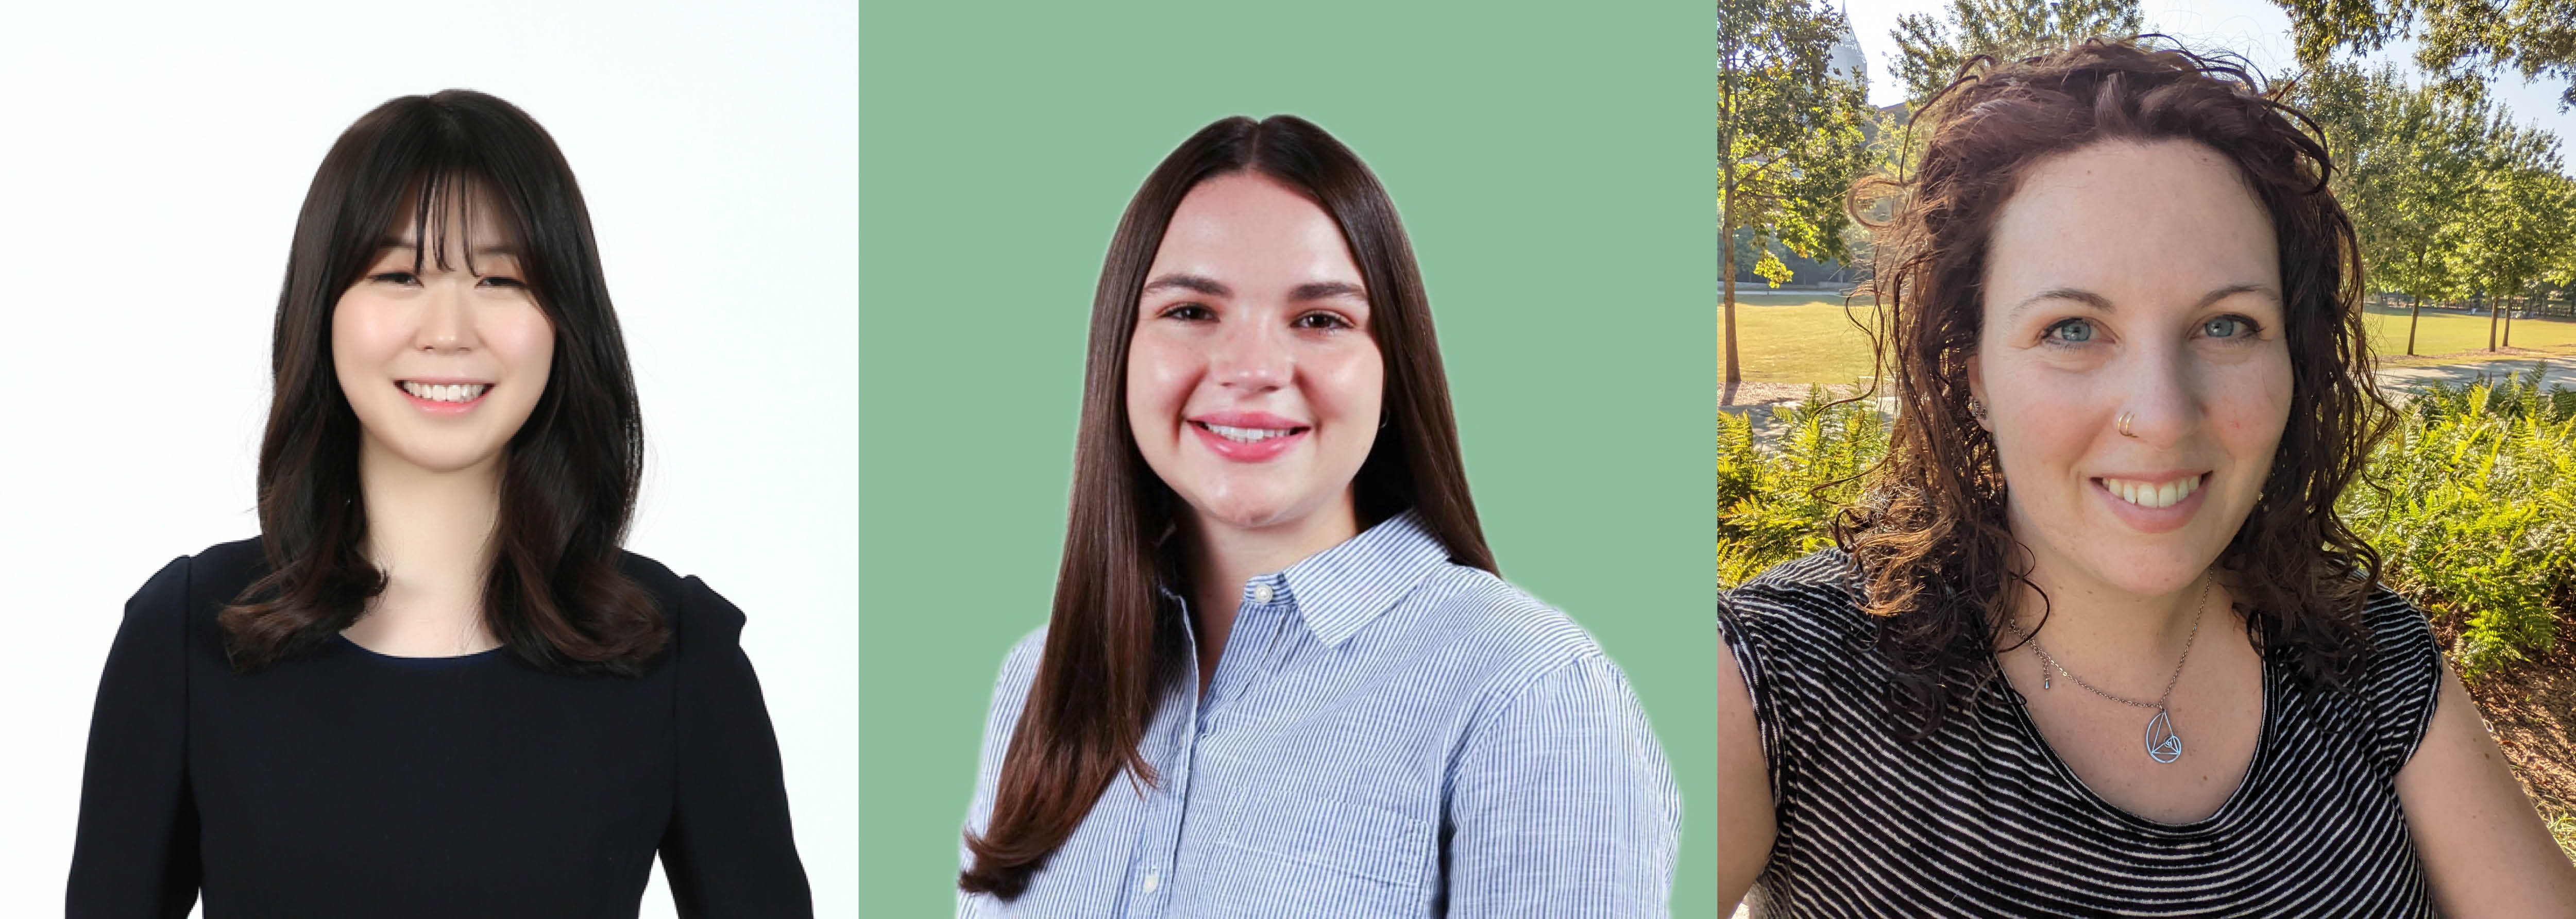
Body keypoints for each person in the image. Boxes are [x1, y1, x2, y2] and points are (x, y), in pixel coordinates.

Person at [1717, 40, 2576, 916]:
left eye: (2229, 326)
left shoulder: (2371, 656)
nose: (2163, 416)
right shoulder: (1777, 677)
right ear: (1971, 372)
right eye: (2072, 330)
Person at [66, 90, 812, 916]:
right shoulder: (186, 638)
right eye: (399, 275)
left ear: (565, 319)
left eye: (500, 278)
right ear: (324, 311)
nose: (449, 329)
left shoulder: (677, 653)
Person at [954, 114, 1678, 916]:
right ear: (1119, 352)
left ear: (1393, 371)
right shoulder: (1041, 678)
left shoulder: (1529, 698)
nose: (1254, 369)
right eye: (1192, 310)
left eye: (1320, 320)